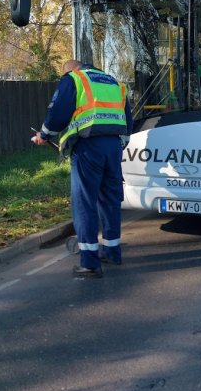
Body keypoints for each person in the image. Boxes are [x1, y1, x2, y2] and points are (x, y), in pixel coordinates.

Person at [32, 59, 133, 278]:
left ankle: (89, 262)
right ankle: (112, 252)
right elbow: (127, 118)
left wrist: (44, 135)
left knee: (84, 202)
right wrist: (119, 144)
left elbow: (58, 112)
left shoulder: (74, 79)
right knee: (110, 200)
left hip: (88, 147)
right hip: (113, 146)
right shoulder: (115, 83)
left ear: (70, 70)